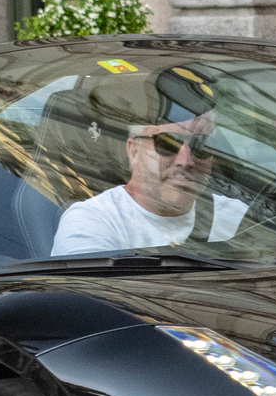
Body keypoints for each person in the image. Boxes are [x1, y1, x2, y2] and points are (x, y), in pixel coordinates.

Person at [50, 66, 250, 257]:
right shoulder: (93, 222)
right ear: (134, 151)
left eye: (202, 146)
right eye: (168, 143)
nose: (186, 160)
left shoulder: (237, 219)